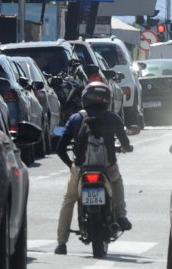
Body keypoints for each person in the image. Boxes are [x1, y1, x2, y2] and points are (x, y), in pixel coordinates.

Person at [54, 82, 133, 254]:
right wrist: (125, 147)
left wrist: (72, 166)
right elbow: (126, 143)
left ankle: (61, 243)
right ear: (107, 100)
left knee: (69, 200)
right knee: (117, 181)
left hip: (81, 168)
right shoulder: (113, 118)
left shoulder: (76, 118)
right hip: (107, 167)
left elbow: (60, 148)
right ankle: (121, 215)